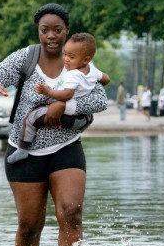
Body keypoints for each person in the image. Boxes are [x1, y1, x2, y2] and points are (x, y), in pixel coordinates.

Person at [0, 3, 108, 246]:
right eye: (45, 30)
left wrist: (64, 106)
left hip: (66, 147)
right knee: (29, 225)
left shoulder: (81, 63)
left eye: (57, 30)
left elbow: (100, 101)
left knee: (71, 212)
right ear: (38, 32)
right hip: (24, 151)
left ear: (67, 32)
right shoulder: (25, 58)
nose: (51, 36)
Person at [6, 33, 110, 164]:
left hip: (63, 108)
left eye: (71, 57)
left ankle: (22, 149)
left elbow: (67, 95)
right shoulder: (92, 70)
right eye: (65, 54)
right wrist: (90, 85)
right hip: (77, 116)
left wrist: (49, 91)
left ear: (85, 59)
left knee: (30, 119)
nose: (66, 59)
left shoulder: (74, 75)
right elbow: (106, 78)